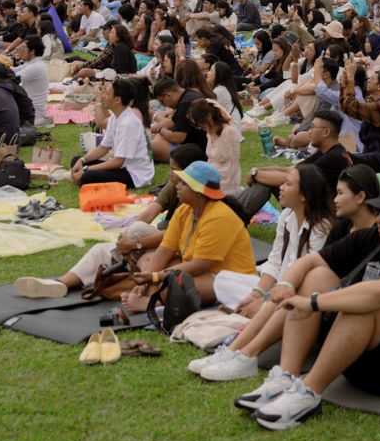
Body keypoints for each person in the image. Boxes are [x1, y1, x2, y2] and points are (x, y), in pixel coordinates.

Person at [238, 176, 380, 431]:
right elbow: (311, 261)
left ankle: (309, 393)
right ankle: (286, 377)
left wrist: (314, 303)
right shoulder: (375, 237)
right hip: (360, 364)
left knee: (365, 305)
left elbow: (379, 295)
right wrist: (286, 285)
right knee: (317, 275)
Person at [23, 161, 255, 308]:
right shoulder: (186, 210)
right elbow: (165, 249)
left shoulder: (219, 216)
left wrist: (154, 278)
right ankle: (62, 284)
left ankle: (148, 301)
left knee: (180, 283)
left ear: (198, 191)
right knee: (145, 261)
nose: (177, 186)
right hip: (192, 267)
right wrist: (149, 277)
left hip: (225, 278)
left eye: (183, 183)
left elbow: (200, 265)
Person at [189, 164, 339, 381]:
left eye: (288, 184)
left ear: (305, 195)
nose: (281, 187)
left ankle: (237, 351)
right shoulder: (287, 216)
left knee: (271, 301)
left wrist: (266, 298)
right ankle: (234, 349)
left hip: (297, 295)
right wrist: (257, 293)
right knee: (223, 280)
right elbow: (275, 262)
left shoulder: (321, 228)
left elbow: (306, 279)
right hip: (278, 288)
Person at [73, 74, 154, 189]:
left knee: (87, 176)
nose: (103, 96)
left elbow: (118, 162)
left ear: (117, 100)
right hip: (122, 166)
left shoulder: (129, 123)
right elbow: (103, 147)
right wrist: (82, 161)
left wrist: (87, 169)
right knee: (77, 161)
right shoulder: (116, 117)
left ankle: (84, 174)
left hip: (133, 174)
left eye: (107, 93)